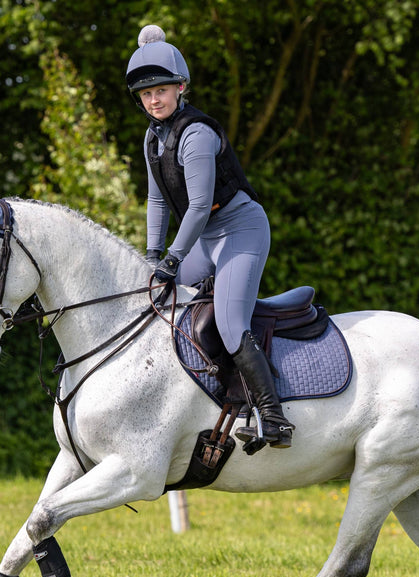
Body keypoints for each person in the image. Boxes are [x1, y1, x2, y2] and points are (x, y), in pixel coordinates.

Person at [125, 25, 295, 449]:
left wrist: (172, 259)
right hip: (203, 239)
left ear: (180, 88)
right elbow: (157, 200)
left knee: (230, 321)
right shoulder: (152, 137)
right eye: (146, 95)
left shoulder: (196, 133)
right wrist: (152, 257)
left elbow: (199, 207)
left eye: (161, 91)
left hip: (239, 229)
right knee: (164, 305)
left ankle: (274, 418)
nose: (154, 100)